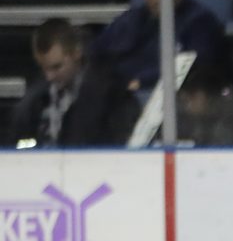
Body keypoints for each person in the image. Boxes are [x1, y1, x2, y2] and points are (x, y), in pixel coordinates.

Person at [91, 0, 228, 91]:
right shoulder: (131, 19)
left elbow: (194, 67)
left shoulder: (200, 22)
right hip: (119, 95)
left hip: (169, 99)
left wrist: (143, 81)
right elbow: (97, 52)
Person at [9, 18, 138, 147]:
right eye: (44, 68)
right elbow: (21, 145)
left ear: (77, 52)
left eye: (57, 67)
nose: (49, 77)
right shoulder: (33, 101)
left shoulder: (110, 94)